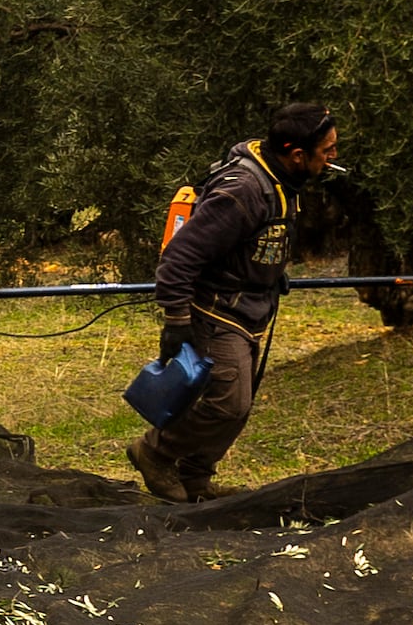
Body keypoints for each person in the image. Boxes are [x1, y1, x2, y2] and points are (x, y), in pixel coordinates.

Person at [133, 98, 341, 503]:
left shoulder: (282, 178)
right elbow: (178, 258)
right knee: (228, 404)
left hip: (250, 310)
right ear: (297, 155)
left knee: (239, 406)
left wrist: (272, 274)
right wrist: (177, 320)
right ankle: (154, 452)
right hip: (216, 310)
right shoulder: (243, 190)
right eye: (327, 151)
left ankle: (195, 479)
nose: (333, 158)